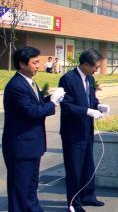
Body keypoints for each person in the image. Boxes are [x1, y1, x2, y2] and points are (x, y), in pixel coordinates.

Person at [2, 47, 65, 211]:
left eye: (39, 61)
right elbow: (31, 112)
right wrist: (53, 103)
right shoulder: (16, 86)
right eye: (35, 62)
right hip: (20, 146)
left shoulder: (29, 82)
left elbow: (34, 105)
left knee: (30, 187)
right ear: (22, 64)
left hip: (31, 145)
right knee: (20, 190)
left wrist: (49, 98)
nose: (39, 65)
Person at [59, 49, 110, 212]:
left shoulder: (90, 78)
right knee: (74, 168)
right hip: (73, 132)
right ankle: (74, 202)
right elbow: (66, 105)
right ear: (85, 64)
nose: (97, 69)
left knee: (88, 165)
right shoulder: (68, 79)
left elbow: (92, 100)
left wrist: (98, 106)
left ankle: (88, 195)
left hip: (87, 130)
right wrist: (87, 111)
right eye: (95, 66)